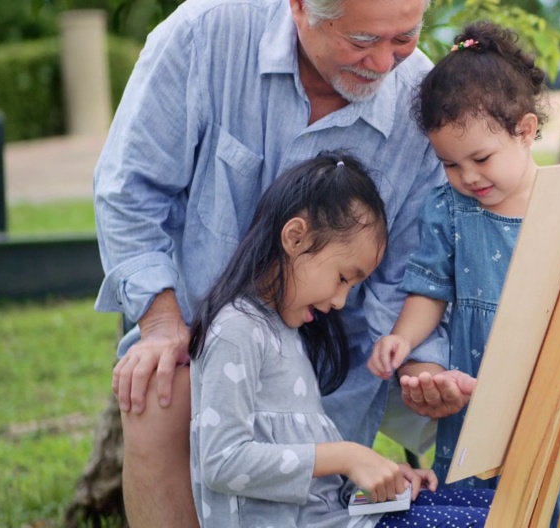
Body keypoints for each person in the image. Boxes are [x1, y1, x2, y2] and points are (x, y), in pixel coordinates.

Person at [93, 0, 447, 527]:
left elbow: (407, 277)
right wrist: (163, 324)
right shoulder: (206, 33)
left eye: (406, 35)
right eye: (364, 39)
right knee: (159, 382)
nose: (386, 62)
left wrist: (412, 360)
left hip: (341, 362)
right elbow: (129, 190)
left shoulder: (422, 103)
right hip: (201, 338)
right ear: (300, 3)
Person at [367, 21, 560, 526]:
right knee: (483, 506)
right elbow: (429, 290)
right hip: (477, 398)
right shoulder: (449, 209)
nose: (468, 176)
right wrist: (402, 337)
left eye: (481, 158)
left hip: (553, 388)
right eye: (449, 163)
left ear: (525, 131)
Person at [188, 152, 492, 527]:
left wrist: (381, 476)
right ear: (295, 238)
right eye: (343, 278)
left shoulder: (286, 332)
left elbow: (315, 483)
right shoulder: (235, 331)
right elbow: (221, 462)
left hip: (343, 516)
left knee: (496, 508)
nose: (340, 302)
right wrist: (349, 456)